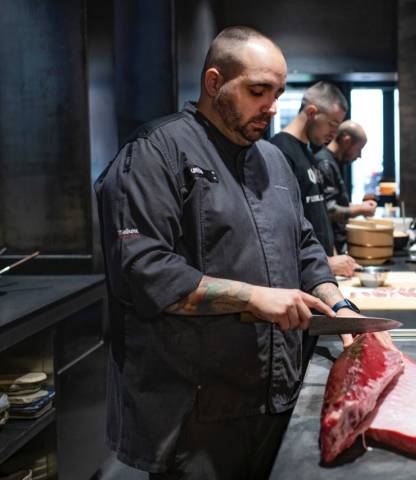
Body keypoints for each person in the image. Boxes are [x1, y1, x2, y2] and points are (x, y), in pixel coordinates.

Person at [94, 26, 358, 479]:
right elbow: (142, 272)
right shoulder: (154, 153)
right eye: (258, 92)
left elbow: (304, 243)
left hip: (276, 394)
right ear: (214, 82)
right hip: (194, 411)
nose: (272, 108)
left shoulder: (272, 160)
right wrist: (252, 296)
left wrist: (339, 303)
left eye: (277, 93)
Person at [270, 82, 360, 276]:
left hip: (323, 271)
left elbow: (319, 214)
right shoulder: (279, 150)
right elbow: (279, 228)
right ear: (312, 112)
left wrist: (333, 256)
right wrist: (327, 262)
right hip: (302, 277)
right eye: (333, 124)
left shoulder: (309, 153)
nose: (334, 134)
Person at [315, 120, 377, 252]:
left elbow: (338, 204)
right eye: (359, 149)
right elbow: (329, 210)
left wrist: (362, 207)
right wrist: (361, 210)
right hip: (330, 247)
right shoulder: (325, 163)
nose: (359, 155)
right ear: (347, 141)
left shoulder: (335, 162)